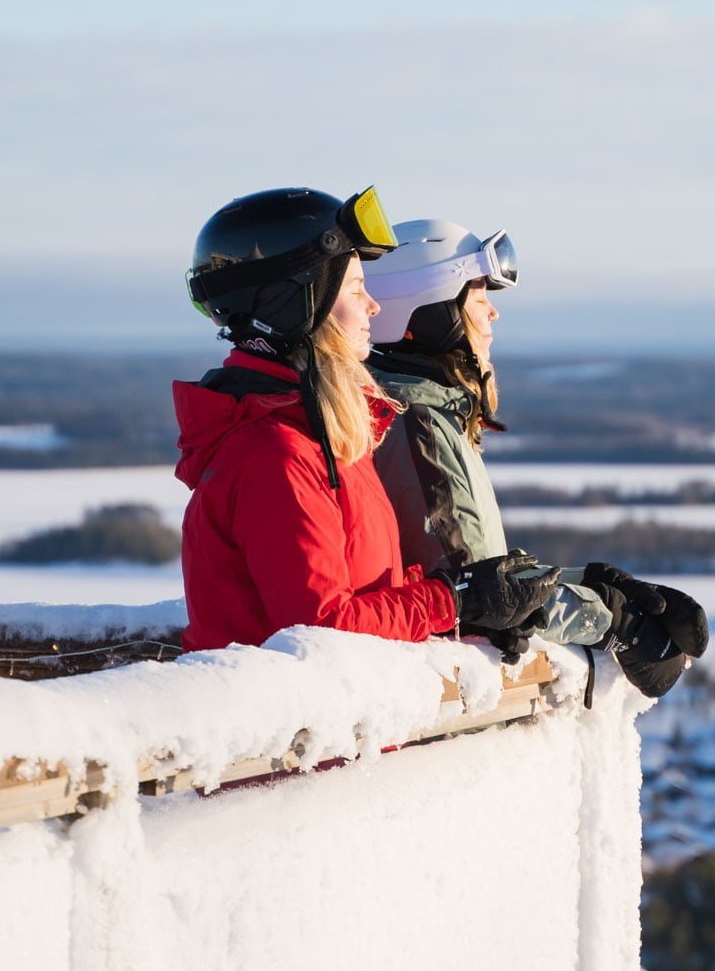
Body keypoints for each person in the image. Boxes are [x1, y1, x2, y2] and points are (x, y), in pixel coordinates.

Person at [174, 188, 559, 654]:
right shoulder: (276, 455)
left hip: (324, 717)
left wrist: (477, 594)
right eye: (357, 289)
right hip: (286, 723)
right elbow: (321, 627)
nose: (373, 307)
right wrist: (453, 601)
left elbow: (371, 586)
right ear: (298, 303)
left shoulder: (322, 433)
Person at [365, 219, 709, 697]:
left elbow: (480, 579)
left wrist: (594, 584)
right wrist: (614, 622)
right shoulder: (417, 428)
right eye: (480, 298)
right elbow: (484, 598)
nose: (493, 315)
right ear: (430, 314)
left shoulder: (418, 414)